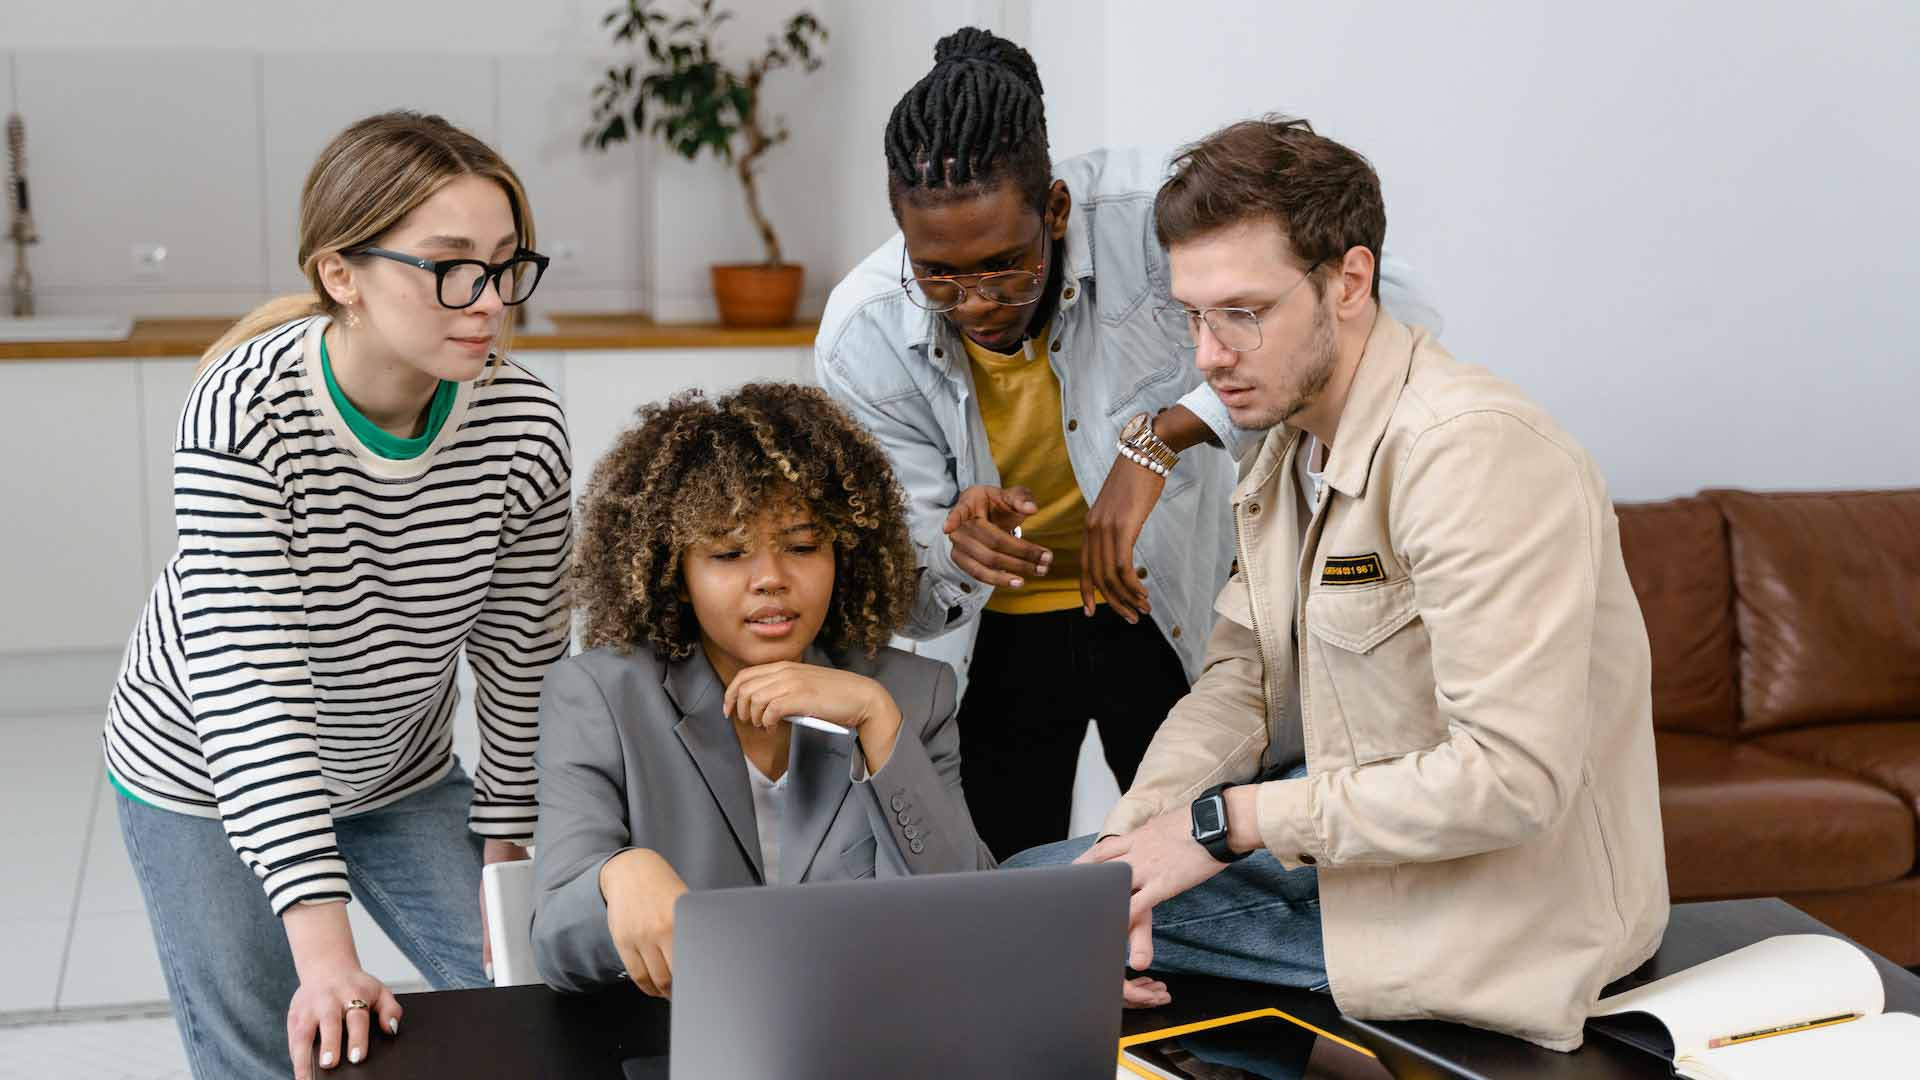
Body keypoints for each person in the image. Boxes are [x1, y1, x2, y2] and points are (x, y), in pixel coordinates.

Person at [1016, 115, 1668, 1052]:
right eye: (1193, 316)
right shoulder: (1287, 447)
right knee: (1055, 892)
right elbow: (1241, 685)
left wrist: (1224, 823)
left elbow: (1512, 778)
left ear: (1350, 281)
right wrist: (1130, 845)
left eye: (1243, 313)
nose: (1207, 355)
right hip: (1361, 862)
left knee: (1018, 924)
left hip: (1496, 915)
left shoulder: (1470, 452)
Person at [815, 28, 1442, 860]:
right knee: (1000, 882)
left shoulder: (1159, 216)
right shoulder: (863, 337)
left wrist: (1165, 438)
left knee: (1202, 864)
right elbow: (911, 595)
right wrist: (952, 549)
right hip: (998, 637)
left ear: (1058, 211)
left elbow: (1393, 316)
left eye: (1005, 265)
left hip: (1166, 600)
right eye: (938, 275)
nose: (974, 303)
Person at [101, 111, 572, 1079]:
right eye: (449, 266)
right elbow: (252, 693)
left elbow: (524, 661)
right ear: (340, 274)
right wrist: (326, 956)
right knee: (279, 1047)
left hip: (396, 767)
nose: (486, 300)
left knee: (531, 1005)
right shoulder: (244, 414)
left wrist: (506, 853)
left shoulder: (522, 420)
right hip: (204, 769)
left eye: (503, 265)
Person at [530, 383, 994, 998]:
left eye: (802, 546)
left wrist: (877, 722)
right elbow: (556, 946)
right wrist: (618, 875)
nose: (771, 579)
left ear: (844, 553)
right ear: (675, 571)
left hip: (868, 1034)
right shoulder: (600, 696)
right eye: (728, 553)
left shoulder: (913, 694)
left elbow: (972, 923)